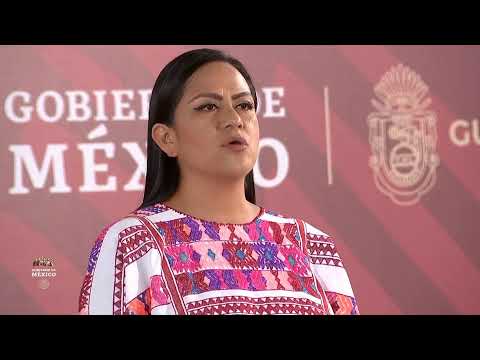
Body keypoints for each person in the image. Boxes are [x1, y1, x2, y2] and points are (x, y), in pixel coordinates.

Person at [78, 48, 359, 315]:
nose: (234, 119)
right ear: (167, 138)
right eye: (208, 106)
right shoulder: (134, 243)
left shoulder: (312, 245)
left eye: (245, 105)